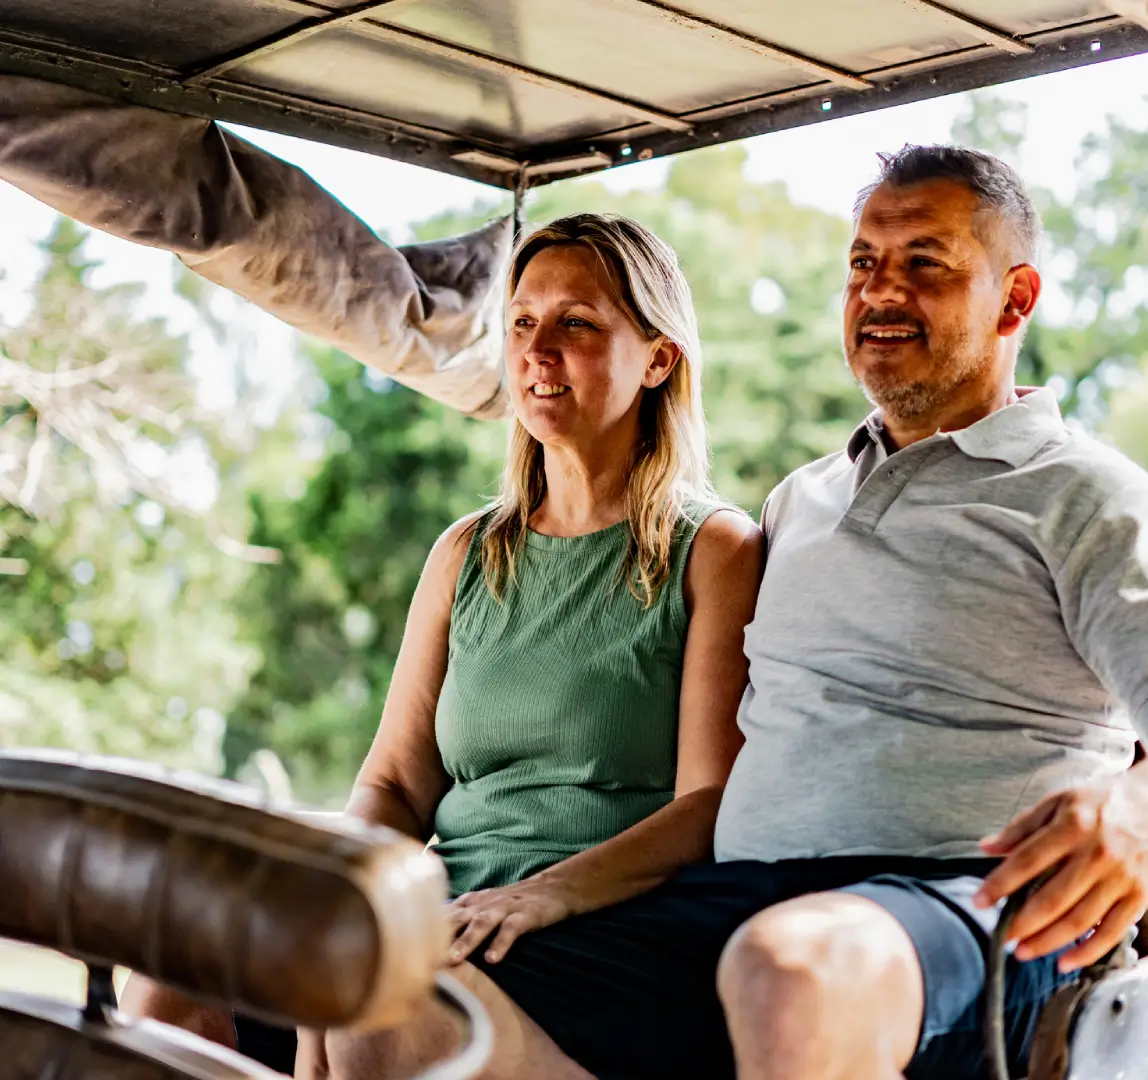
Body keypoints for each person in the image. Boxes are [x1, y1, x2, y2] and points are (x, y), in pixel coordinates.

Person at [312, 145, 1148, 1080]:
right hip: (733, 905)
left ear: (1015, 299)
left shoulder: (1087, 498)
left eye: (924, 265)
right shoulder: (801, 503)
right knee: (391, 1004)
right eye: (863, 263)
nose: (881, 291)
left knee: (787, 968)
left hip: (961, 905)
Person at [121, 213, 763, 1072]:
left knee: (369, 987)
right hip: (441, 911)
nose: (539, 350)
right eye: (524, 322)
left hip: (598, 937)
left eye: (578, 323)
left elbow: (704, 807)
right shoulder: (468, 553)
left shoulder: (713, 550)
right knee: (178, 951)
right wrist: (348, 886)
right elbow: (392, 783)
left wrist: (542, 895)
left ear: (658, 358)